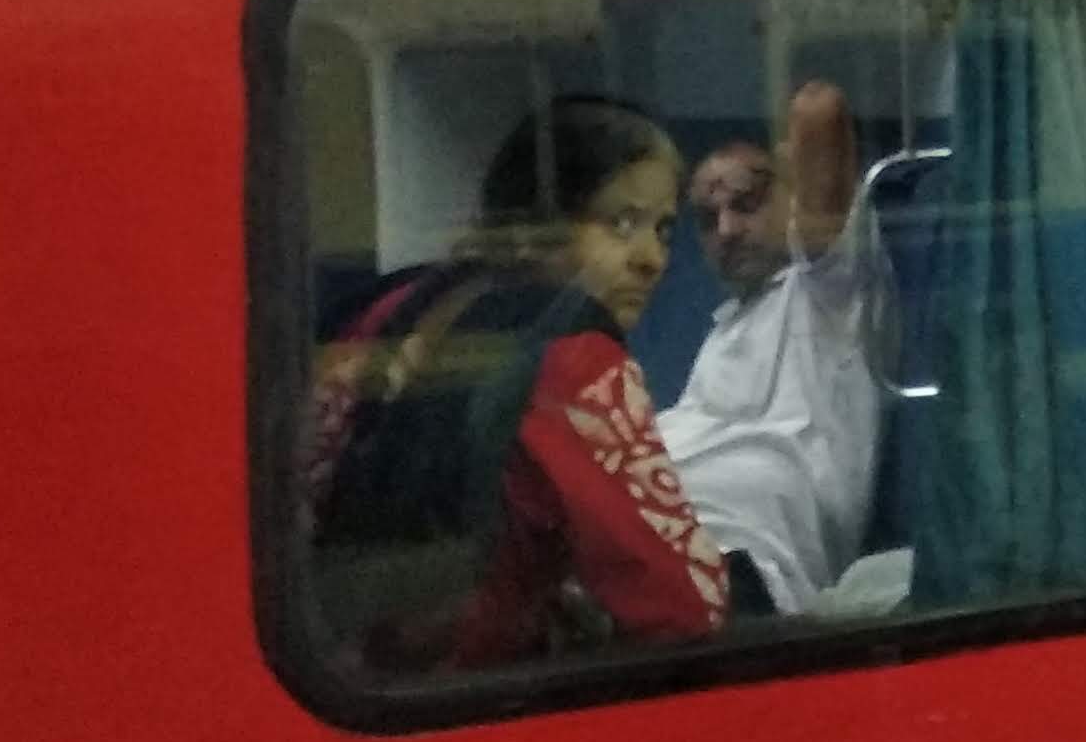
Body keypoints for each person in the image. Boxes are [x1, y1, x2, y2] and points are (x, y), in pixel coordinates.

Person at [298, 95, 732, 672]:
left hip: (343, 669)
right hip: (471, 695)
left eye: (663, 228)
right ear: (533, 228)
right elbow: (682, 608)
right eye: (619, 223)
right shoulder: (572, 357)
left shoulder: (392, 308)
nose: (651, 258)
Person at [659, 79, 887, 614]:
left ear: (792, 196)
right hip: (654, 539)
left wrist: (797, 171)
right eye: (708, 219)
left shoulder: (829, 296)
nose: (728, 229)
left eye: (747, 202)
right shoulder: (725, 331)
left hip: (743, 563)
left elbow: (820, 109)